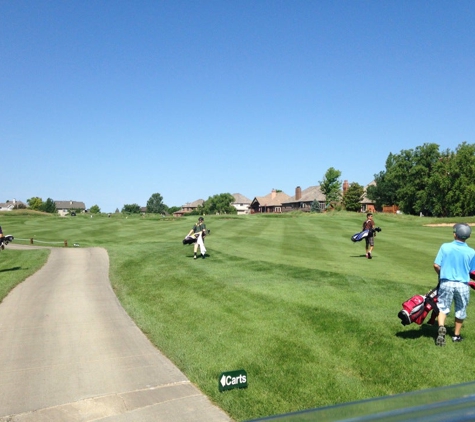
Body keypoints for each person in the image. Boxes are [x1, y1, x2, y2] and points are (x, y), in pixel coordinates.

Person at [434, 223, 475, 346]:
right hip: (462, 284)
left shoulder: (445, 247)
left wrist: (441, 275)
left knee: (443, 308)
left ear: (455, 234)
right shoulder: (471, 251)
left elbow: (436, 265)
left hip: (446, 282)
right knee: (461, 309)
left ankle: (441, 327)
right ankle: (456, 336)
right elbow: (472, 272)